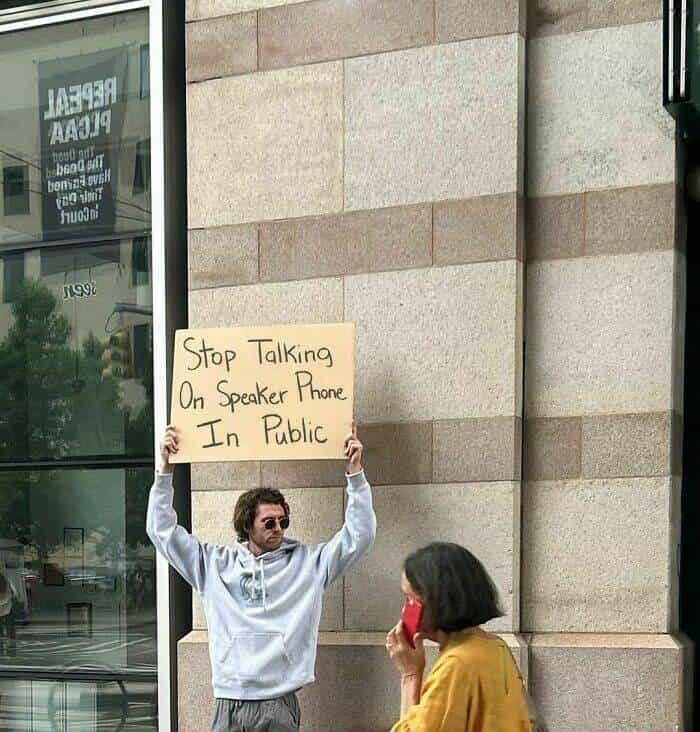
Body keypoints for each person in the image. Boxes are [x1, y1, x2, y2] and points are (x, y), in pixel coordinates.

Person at [146, 421, 376, 732]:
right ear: (247, 525)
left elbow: (359, 536)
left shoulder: (309, 563)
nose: (278, 528)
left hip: (279, 702)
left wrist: (355, 474)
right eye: (269, 522)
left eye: (283, 521)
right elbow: (161, 531)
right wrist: (164, 471)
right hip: (230, 701)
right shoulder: (213, 565)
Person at [385, 542, 532, 732]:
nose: (404, 610)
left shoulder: (456, 664)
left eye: (410, 599)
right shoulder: (496, 647)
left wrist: (410, 675)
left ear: (437, 600)